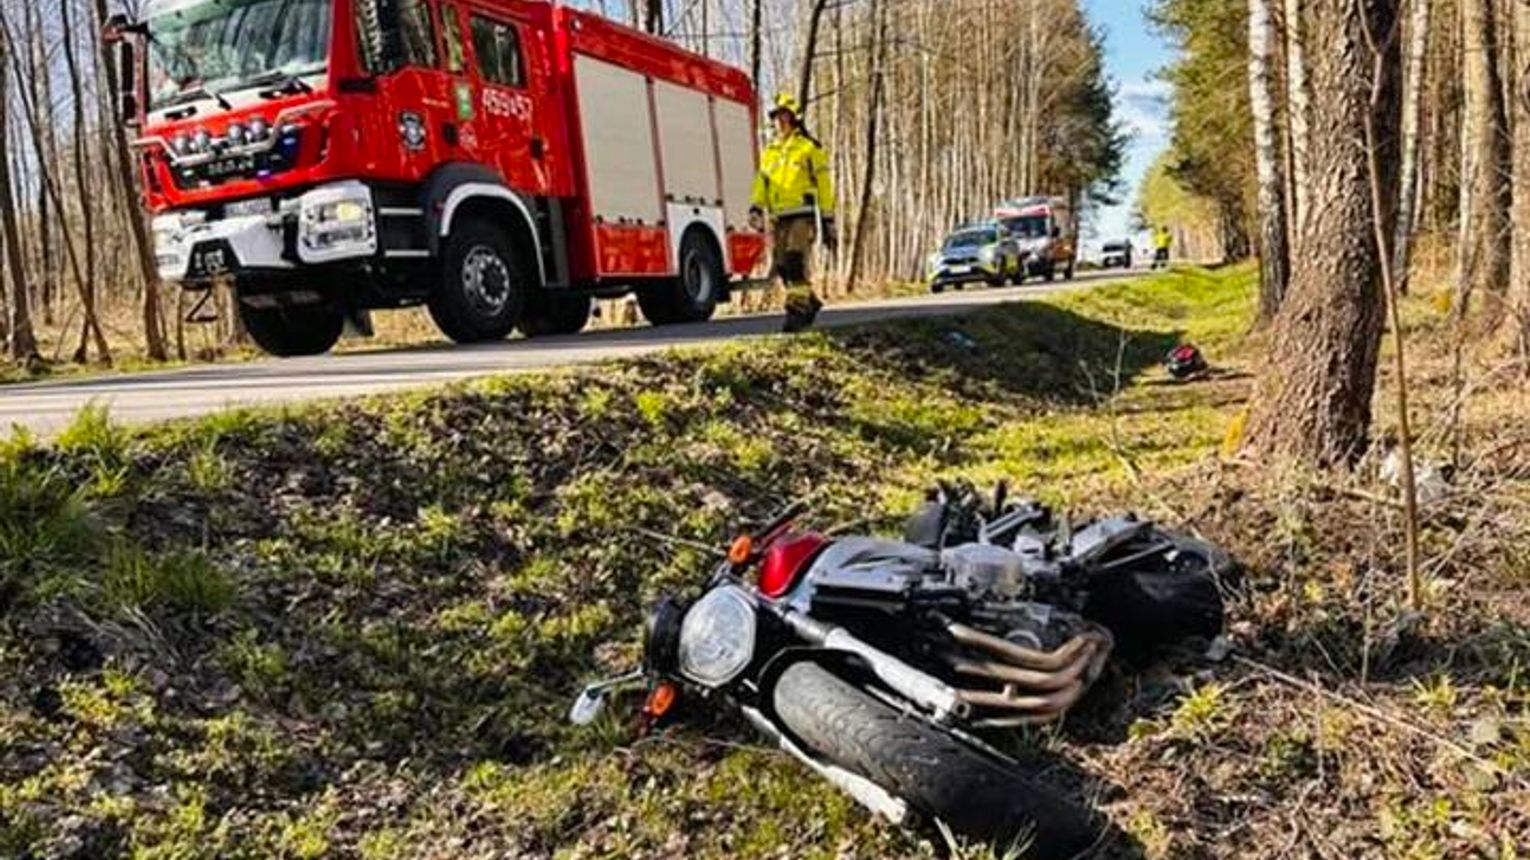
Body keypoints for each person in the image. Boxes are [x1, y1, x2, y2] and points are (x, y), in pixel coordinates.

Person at [750, 92, 837, 333]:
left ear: (794, 119)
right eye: (777, 117)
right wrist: (756, 207)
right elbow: (762, 183)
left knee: (795, 260)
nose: (780, 122)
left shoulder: (809, 149)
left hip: (803, 216)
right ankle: (809, 301)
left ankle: (796, 313)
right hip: (780, 218)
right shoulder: (771, 152)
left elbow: (824, 187)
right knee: (782, 267)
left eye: (784, 116)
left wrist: (828, 219)